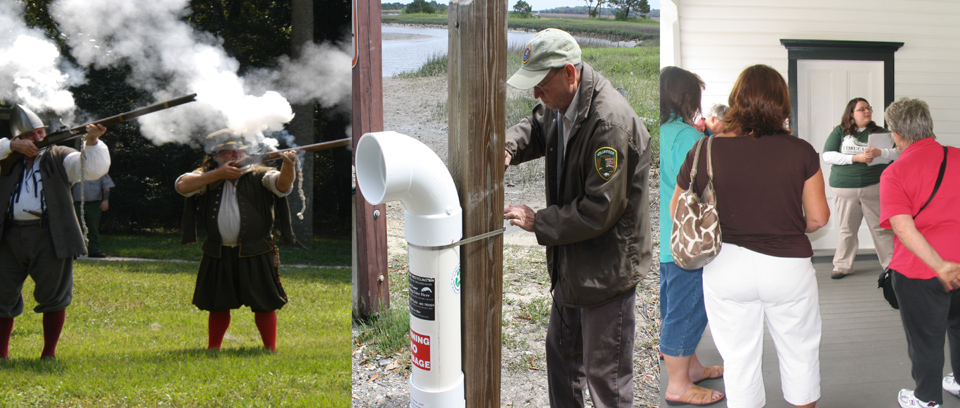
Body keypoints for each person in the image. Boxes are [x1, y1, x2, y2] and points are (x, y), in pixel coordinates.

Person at [501, 28, 652, 407]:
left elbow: (598, 210)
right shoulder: (560, 103)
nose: (536, 94)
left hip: (605, 270)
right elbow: (537, 125)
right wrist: (507, 146)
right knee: (561, 357)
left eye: (541, 84)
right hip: (572, 262)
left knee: (607, 380)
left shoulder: (610, 124)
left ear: (570, 73)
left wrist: (540, 222)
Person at [671, 64, 830, 408]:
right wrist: (783, 223)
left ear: (736, 100)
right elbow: (818, 217)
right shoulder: (800, 150)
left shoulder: (705, 150)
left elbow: (676, 212)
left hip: (725, 267)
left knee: (738, 359)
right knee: (799, 350)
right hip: (787, 267)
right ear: (782, 103)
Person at [0, 104, 110, 360]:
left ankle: (49, 353)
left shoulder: (60, 154)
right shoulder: (7, 156)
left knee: (54, 296)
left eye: (40, 133)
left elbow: (91, 169)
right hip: (8, 235)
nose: (38, 138)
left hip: (50, 234)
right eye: (30, 135)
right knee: (2, 295)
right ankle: (1, 355)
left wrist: (92, 141)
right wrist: (11, 147)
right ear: (17, 138)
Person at [177, 129, 299, 352]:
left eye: (239, 151)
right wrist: (218, 174)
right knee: (217, 303)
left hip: (256, 249)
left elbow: (282, 186)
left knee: (264, 304)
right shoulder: (206, 175)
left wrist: (289, 165)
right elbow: (182, 186)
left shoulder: (260, 174)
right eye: (228, 152)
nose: (235, 156)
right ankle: (213, 348)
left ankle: (270, 348)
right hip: (218, 251)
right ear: (215, 156)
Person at [878, 97, 960, 408]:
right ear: (932, 126)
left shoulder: (895, 173)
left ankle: (926, 399)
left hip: (921, 272)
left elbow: (903, 228)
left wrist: (941, 266)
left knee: (925, 339)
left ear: (895, 134)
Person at [658, 66, 724, 406]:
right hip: (688, 242)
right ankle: (678, 384)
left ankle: (691, 367)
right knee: (686, 312)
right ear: (685, 96)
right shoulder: (689, 138)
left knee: (673, 307)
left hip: (667, 241)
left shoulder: (663, 131)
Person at [822, 97, 897, 279]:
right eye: (862, 109)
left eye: (868, 108)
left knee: (881, 228)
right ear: (851, 114)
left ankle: (892, 267)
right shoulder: (840, 132)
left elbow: (898, 152)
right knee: (847, 228)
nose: (867, 112)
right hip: (845, 188)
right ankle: (842, 266)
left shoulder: (882, 133)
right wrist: (856, 158)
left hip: (874, 187)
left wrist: (881, 153)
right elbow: (828, 156)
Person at [72, 173, 115, 258]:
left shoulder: (100, 171)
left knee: (93, 228)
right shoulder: (76, 170)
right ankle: (75, 251)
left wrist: (105, 200)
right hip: (77, 204)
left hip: (94, 205)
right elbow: (67, 185)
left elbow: (106, 187)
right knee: (76, 228)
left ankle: (94, 251)